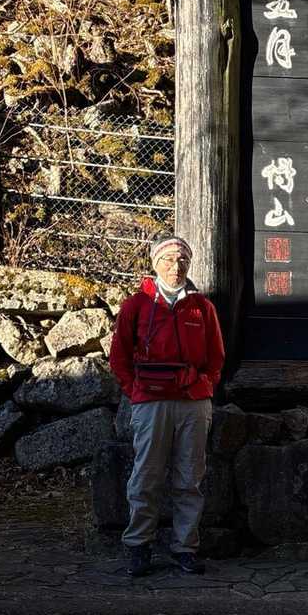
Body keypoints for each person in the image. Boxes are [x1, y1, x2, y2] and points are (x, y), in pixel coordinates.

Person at [109, 235, 225, 577]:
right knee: (147, 474)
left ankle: (185, 547)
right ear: (155, 263)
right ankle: (138, 545)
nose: (176, 266)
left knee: (190, 476)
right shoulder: (137, 305)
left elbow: (216, 357)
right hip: (151, 401)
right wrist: (135, 390)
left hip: (193, 401)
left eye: (183, 260)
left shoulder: (202, 308)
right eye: (169, 260)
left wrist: (205, 386)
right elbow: (119, 356)